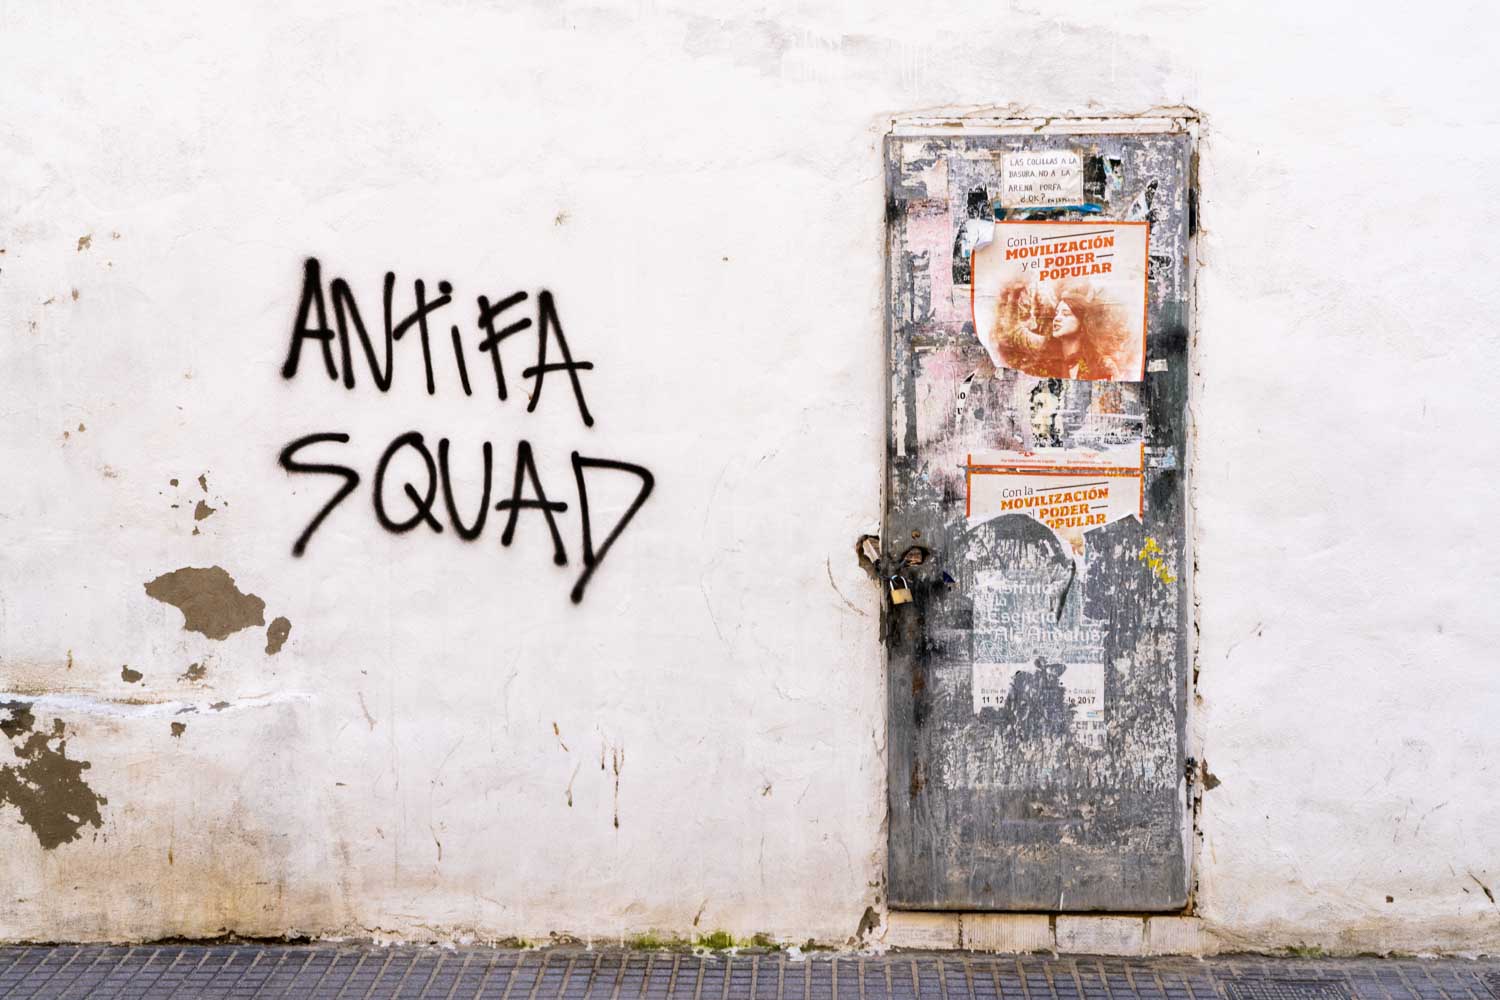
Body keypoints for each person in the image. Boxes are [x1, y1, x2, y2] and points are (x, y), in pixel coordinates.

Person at [990, 280, 1130, 381]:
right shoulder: (1044, 346)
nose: (1057, 319)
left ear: (1082, 323)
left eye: (1066, 314)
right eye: (1057, 313)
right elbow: (1014, 333)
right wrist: (1014, 296)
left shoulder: (1102, 364)